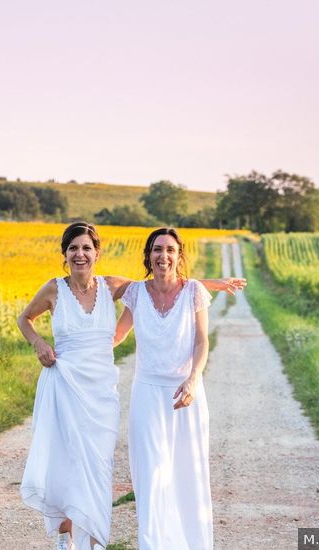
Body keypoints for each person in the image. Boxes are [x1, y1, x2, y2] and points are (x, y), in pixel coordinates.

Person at [17, 222, 244, 550]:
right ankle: (73, 537)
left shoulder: (114, 287)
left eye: (86, 248)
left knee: (103, 466)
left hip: (110, 393)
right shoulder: (68, 289)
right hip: (74, 384)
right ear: (65, 254)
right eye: (73, 248)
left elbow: (173, 288)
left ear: (97, 253)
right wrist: (42, 345)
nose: (80, 254)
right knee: (72, 463)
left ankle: (98, 540)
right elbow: (29, 320)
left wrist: (215, 286)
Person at [116, 227, 218, 550]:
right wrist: (76, 352)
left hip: (185, 396)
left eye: (170, 250)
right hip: (146, 395)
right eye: (157, 250)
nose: (163, 256)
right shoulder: (135, 294)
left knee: (186, 474)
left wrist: (193, 378)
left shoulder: (194, 292)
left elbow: (202, 342)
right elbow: (115, 338)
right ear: (148, 256)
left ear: (179, 255)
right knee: (151, 475)